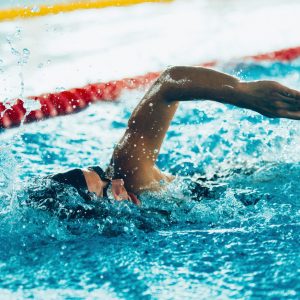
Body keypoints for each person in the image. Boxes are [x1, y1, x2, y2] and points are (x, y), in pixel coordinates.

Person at [27, 66, 300, 213]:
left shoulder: (131, 177)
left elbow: (169, 83)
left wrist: (241, 92)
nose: (118, 182)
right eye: (106, 190)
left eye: (103, 175)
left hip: (230, 185)